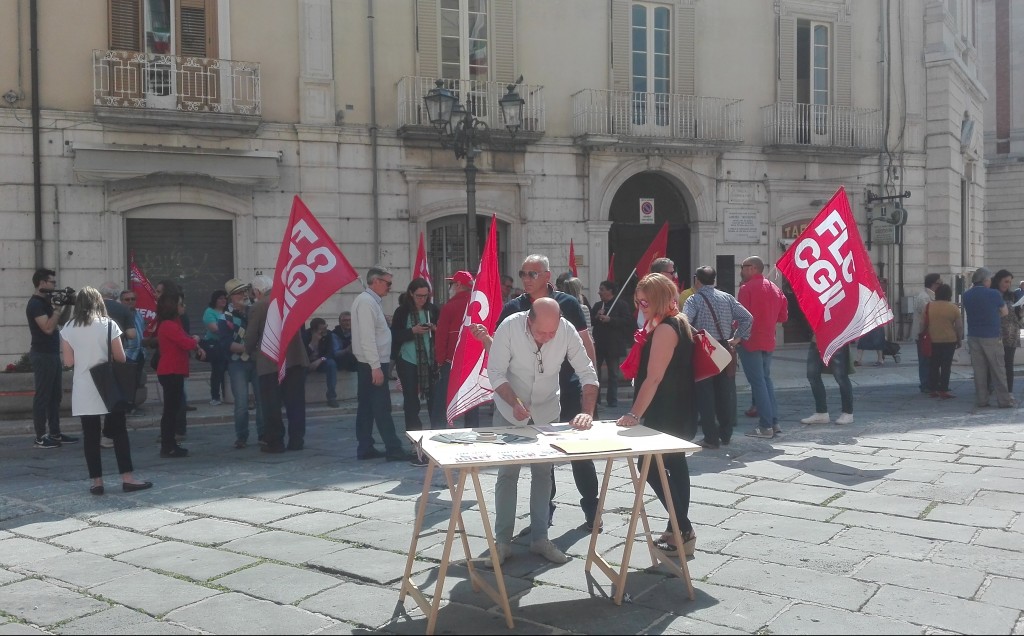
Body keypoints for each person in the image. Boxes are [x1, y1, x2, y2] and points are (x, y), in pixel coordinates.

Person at [487, 297, 598, 565]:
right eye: (541, 332)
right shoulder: (509, 327)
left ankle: (540, 538)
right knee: (507, 474)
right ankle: (502, 542)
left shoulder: (566, 329)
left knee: (543, 473)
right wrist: (513, 402)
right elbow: (496, 372)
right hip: (509, 410)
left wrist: (587, 411)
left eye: (552, 332)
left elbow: (587, 372)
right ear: (529, 321)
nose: (547, 338)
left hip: (547, 409)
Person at [499, 254, 601, 530]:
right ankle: (545, 513)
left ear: (547, 276)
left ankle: (592, 508)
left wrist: (590, 391)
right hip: (525, 397)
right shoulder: (513, 309)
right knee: (543, 460)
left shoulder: (568, 304)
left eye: (532, 274)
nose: (526, 279)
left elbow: (585, 345)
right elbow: (498, 356)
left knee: (579, 453)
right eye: (523, 273)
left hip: (565, 388)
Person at [615, 273, 697, 557]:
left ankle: (683, 528)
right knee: (675, 467)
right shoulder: (678, 322)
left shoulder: (665, 329)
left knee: (649, 468)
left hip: (667, 409)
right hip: (678, 405)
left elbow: (653, 378)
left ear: (661, 299)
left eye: (646, 302)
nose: (641, 307)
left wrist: (634, 414)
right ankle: (677, 531)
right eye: (638, 302)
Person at [58, 287, 151, 495]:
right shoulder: (108, 324)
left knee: (90, 436)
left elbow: (69, 361)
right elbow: (121, 357)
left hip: (84, 386)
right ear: (99, 302)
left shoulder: (68, 327)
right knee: (119, 432)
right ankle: (127, 478)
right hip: (108, 385)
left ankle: (96, 482)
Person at [350, 266, 416, 462]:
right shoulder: (366, 303)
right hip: (372, 363)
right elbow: (367, 338)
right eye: (388, 283)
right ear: (376, 281)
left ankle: (366, 446)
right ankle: (393, 448)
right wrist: (376, 367)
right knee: (381, 406)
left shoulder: (370, 302)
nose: (390, 287)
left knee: (368, 407)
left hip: (372, 363)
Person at [682, 265, 752, 449]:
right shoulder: (727, 297)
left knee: (705, 394)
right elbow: (747, 317)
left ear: (696, 279)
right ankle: (726, 434)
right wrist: (737, 338)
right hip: (724, 346)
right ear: (714, 279)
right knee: (725, 392)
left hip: (705, 348)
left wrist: (700, 336)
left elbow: (685, 322)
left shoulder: (693, 299)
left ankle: (710, 437)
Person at [246, 274, 310, 452]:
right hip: (296, 359)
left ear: (258, 291)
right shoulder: (291, 300)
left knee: (271, 404)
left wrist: (247, 349)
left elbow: (251, 336)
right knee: (295, 403)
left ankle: (275, 441)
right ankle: (297, 440)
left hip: (270, 361)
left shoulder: (259, 306)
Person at [737, 257, 788, 439]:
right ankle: (774, 423)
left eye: (742, 267)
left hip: (750, 342)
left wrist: (736, 338)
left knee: (758, 383)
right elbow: (783, 318)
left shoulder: (746, 289)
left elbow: (743, 318)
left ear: (752, 269)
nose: (741, 270)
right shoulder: (776, 289)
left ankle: (766, 426)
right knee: (766, 381)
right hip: (768, 341)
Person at [26, 268, 76, 448]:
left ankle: (55, 433)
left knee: (55, 396)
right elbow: (47, 328)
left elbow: (61, 322)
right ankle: (40, 437)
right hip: (42, 354)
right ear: (42, 283)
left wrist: (68, 304)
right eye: (52, 282)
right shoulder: (35, 304)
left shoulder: (45, 301)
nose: (55, 285)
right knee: (43, 396)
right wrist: (56, 309)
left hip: (52, 353)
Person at [155, 291, 203, 457]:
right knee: (171, 410)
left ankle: (170, 443)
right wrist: (196, 340)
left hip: (173, 370)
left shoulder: (173, 323)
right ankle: (167, 445)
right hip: (171, 370)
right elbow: (186, 342)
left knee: (173, 409)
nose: (184, 307)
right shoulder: (169, 325)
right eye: (181, 304)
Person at [391, 278, 439, 434]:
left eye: (425, 296)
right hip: (408, 361)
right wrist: (413, 331)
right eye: (419, 296)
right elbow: (395, 335)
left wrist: (434, 328)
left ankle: (436, 434)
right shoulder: (402, 311)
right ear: (411, 293)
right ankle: (415, 438)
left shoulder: (432, 309)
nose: (422, 299)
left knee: (435, 400)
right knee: (411, 402)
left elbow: (441, 331)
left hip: (430, 361)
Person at [432, 271, 478, 428]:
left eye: (452, 284)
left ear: (458, 285)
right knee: (472, 403)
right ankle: (474, 435)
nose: (450, 287)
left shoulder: (449, 306)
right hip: (472, 363)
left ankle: (437, 434)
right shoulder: (477, 305)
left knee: (442, 402)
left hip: (450, 362)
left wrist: (440, 360)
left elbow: (441, 336)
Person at [963, 267, 1013, 408]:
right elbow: (1004, 312)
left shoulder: (967, 295)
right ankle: (1004, 400)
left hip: (973, 335)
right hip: (991, 335)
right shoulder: (994, 294)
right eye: (990, 279)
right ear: (985, 280)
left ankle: (982, 400)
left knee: (979, 370)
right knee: (998, 368)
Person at [221, 278, 263, 449]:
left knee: (262, 400)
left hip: (257, 360)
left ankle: (263, 434)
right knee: (241, 403)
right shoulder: (225, 317)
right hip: (237, 363)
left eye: (245, 291)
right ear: (231, 297)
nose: (244, 295)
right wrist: (248, 348)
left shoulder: (255, 311)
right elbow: (226, 343)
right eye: (239, 293)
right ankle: (242, 436)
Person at [591, 280, 633, 408]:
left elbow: (627, 321)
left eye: (602, 289)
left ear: (610, 291)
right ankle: (595, 400)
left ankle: (612, 400)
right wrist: (597, 317)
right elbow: (590, 321)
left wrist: (611, 320)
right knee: (595, 373)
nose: (599, 292)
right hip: (599, 344)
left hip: (613, 345)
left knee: (613, 374)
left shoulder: (621, 305)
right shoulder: (598, 305)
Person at [800, 339, 855, 425]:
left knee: (841, 376)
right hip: (818, 340)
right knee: (812, 374)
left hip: (837, 340)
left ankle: (848, 413)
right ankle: (821, 413)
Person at [926, 283, 963, 399]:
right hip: (949, 340)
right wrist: (959, 339)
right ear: (949, 294)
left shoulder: (928, 306)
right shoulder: (953, 308)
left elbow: (923, 323)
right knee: (946, 366)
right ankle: (943, 389)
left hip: (932, 339)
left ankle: (932, 389)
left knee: (933, 365)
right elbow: (959, 326)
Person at [991, 269, 1022, 393]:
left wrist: (1022, 311)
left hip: (1011, 334)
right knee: (993, 363)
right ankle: (992, 387)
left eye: (1009, 282)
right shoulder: (992, 294)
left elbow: (1017, 315)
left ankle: (1008, 391)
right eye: (1006, 281)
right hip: (995, 333)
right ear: (998, 281)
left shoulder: (1012, 295)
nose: (1008, 284)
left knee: (1008, 363)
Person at [911, 274, 942, 393]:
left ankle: (932, 382)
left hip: (930, 333)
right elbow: (928, 314)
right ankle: (925, 384)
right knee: (924, 359)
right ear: (933, 284)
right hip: (923, 334)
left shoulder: (930, 296)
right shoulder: (924, 297)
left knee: (931, 359)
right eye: (939, 283)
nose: (940, 286)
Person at [119, 288, 147, 416]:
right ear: (121, 301)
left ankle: (133, 404)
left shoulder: (138, 314)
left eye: (133, 299)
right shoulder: (120, 314)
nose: (130, 301)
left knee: (136, 380)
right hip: (127, 353)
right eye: (127, 299)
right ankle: (126, 406)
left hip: (140, 352)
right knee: (126, 382)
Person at [202, 289, 229, 405]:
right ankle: (215, 397)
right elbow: (214, 328)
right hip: (216, 345)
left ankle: (227, 395)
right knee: (217, 371)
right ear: (215, 300)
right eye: (220, 298)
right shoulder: (209, 312)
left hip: (228, 345)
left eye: (225, 298)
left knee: (228, 372)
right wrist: (230, 329)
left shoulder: (228, 311)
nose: (223, 300)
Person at [306, 317, 341, 408]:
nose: (325, 330)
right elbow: (303, 354)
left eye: (326, 327)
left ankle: (331, 397)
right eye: (322, 329)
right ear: (314, 330)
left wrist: (320, 360)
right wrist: (313, 343)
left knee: (331, 364)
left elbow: (330, 353)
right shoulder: (305, 335)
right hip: (307, 362)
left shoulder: (328, 334)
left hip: (321, 362)